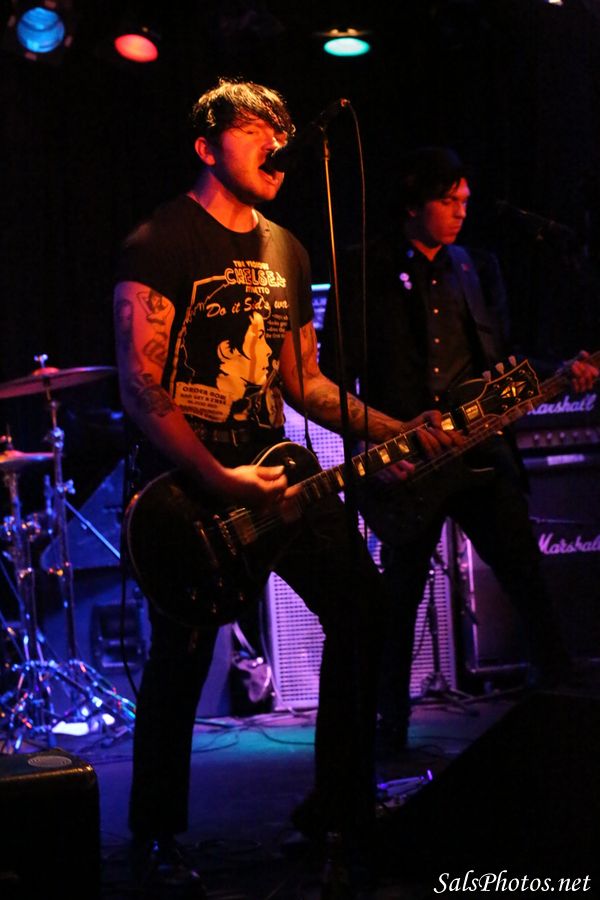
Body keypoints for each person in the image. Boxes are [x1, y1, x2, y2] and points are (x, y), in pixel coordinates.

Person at [113, 81, 454, 895]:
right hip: (188, 486)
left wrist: (392, 430)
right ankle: (155, 838)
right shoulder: (158, 242)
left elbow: (304, 380)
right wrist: (219, 476)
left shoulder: (289, 251)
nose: (278, 140)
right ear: (207, 146)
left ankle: (338, 808)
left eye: (283, 127)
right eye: (257, 127)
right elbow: (142, 386)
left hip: (277, 470)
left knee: (363, 610)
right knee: (182, 653)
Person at [320, 146, 598, 750]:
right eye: (448, 201)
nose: (460, 211)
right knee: (397, 601)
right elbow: (333, 377)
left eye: (464, 200)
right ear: (414, 203)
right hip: (407, 460)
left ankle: (560, 702)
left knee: (526, 575)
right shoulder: (364, 269)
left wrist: (562, 370)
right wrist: (373, 447)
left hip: (481, 454)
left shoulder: (476, 267)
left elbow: (503, 362)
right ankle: (387, 728)